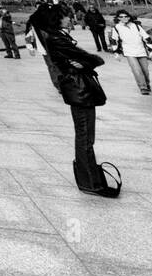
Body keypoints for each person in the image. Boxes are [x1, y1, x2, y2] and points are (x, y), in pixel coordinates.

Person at [36, 10, 118, 197]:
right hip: (78, 89)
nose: (69, 18)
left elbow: (82, 60)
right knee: (84, 136)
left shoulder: (60, 36)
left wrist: (84, 62)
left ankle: (89, 179)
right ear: (56, 19)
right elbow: (91, 59)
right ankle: (89, 182)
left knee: (86, 135)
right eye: (65, 16)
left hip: (79, 87)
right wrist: (92, 61)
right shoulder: (57, 38)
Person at [109, 10, 152, 95]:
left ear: (129, 17)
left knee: (145, 70)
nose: (124, 18)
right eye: (121, 17)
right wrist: (116, 52)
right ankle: (143, 87)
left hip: (141, 51)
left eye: (126, 16)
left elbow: (146, 37)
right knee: (137, 70)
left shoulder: (136, 26)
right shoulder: (116, 28)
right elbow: (114, 40)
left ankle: (147, 84)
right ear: (118, 18)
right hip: (129, 52)